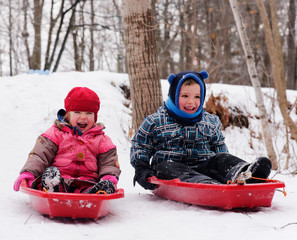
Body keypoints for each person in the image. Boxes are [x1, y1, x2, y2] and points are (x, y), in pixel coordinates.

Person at [130, 70, 272, 190]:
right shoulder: (155, 121)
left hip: (205, 166)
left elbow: (219, 147)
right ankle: (204, 184)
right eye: (185, 96)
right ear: (174, 96)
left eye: (197, 97)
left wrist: (224, 164)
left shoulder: (210, 121)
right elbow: (140, 145)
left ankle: (245, 174)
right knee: (165, 167)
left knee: (221, 159)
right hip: (172, 169)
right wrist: (141, 168)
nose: (191, 102)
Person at [14, 87, 121, 194]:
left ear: (95, 117)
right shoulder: (56, 134)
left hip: (87, 183)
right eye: (77, 112)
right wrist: (29, 173)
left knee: (93, 188)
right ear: (68, 115)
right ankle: (50, 188)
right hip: (58, 180)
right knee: (52, 177)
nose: (83, 117)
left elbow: (108, 162)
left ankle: (95, 193)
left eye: (89, 113)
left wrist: (108, 177)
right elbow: (40, 155)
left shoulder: (101, 140)